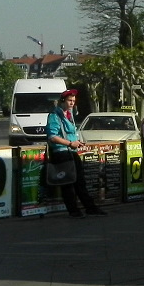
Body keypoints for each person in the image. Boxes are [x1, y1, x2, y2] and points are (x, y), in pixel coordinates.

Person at [46, 89, 106, 218]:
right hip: (61, 153)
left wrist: (76, 142)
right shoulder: (55, 116)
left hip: (71, 151)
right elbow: (52, 137)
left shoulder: (69, 114)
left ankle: (90, 207)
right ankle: (74, 211)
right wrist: (69, 143)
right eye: (69, 100)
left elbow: (70, 134)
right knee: (68, 184)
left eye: (73, 101)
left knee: (80, 182)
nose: (72, 103)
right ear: (62, 101)